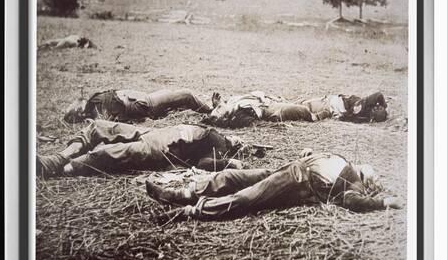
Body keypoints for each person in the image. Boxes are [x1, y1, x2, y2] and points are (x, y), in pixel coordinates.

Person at [145, 149, 401, 222]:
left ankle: (188, 211)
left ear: (366, 180)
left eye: (371, 175)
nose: (369, 169)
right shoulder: (344, 160)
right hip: (291, 168)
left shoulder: (353, 182)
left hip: (296, 182)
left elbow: (351, 201)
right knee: (233, 178)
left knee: (246, 198)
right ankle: (180, 194)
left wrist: (382, 202)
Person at [37, 119, 244, 178]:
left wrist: (229, 162)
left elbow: (204, 164)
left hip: (163, 147)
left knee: (109, 153)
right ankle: (58, 158)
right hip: (154, 132)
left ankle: (61, 169)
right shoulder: (212, 131)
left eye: (239, 141)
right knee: (99, 127)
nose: (237, 138)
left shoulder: (221, 145)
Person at [205, 91, 388, 127]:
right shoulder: (361, 105)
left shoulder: (236, 101)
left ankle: (313, 113)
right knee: (302, 109)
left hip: (271, 102)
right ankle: (315, 116)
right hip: (329, 103)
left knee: (300, 106)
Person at [64, 89, 213, 123]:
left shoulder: (96, 104)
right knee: (186, 95)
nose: (81, 100)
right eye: (78, 105)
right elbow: (110, 119)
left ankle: (207, 108)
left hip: (144, 99)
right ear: (80, 111)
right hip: (147, 103)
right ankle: (213, 112)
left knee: (180, 99)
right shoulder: (97, 108)